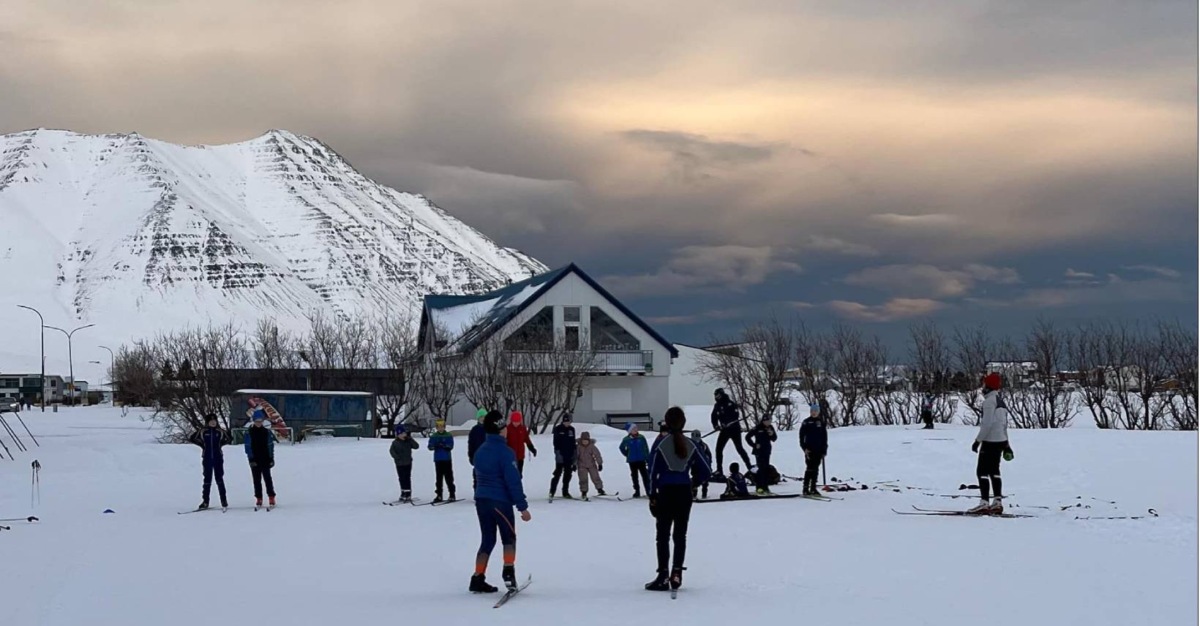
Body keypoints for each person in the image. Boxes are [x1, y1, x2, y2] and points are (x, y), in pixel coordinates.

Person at [645, 407, 712, 593]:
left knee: (663, 535)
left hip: (666, 492)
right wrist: (693, 483)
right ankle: (677, 573)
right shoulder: (691, 444)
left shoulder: (660, 444)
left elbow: (651, 472)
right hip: (684, 492)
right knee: (680, 535)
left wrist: (652, 494)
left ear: (666, 421)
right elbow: (706, 470)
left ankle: (663, 575)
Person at [470, 410, 531, 593]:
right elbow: (513, 481)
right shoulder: (506, 452)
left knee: (487, 540)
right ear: (500, 430)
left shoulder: (480, 451)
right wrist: (522, 507)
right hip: (500, 502)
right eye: (504, 428)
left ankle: (478, 577)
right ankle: (508, 572)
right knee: (509, 538)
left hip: (481, 500)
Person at [971, 373, 1012, 514]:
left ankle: (984, 502)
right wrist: (1007, 444)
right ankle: (997, 501)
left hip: (990, 441)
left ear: (988, 386)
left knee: (981, 471)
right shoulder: (1001, 402)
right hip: (1000, 440)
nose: (982, 387)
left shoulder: (989, 402)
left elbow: (987, 424)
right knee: (995, 471)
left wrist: (978, 441)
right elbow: (1004, 425)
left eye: (984, 384)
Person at [188, 413, 231, 510]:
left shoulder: (220, 431)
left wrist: (221, 444)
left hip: (218, 457)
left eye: (214, 421)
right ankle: (205, 501)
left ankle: (223, 501)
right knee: (207, 479)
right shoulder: (203, 431)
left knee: (219, 478)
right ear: (207, 422)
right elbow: (192, 438)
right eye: (211, 421)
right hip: (207, 457)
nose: (213, 422)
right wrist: (202, 445)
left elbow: (229, 438)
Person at [711, 388, 751, 476]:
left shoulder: (730, 404)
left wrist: (728, 423)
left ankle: (750, 467)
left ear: (721, 395)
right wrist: (716, 425)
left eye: (717, 395)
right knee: (718, 449)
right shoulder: (717, 405)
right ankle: (719, 470)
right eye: (715, 395)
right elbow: (714, 416)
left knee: (739, 448)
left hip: (734, 430)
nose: (716, 397)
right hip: (725, 431)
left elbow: (735, 416)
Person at [244, 413, 277, 508]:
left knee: (268, 478)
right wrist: (251, 459)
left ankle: (271, 496)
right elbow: (247, 447)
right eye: (257, 421)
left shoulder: (267, 432)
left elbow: (270, 445)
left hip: (265, 458)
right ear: (254, 421)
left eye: (260, 421)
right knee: (256, 479)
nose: (259, 423)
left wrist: (271, 458)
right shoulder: (249, 432)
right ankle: (259, 497)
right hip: (254, 459)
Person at [798, 403, 828, 496]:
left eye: (815, 411)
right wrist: (804, 448)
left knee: (816, 469)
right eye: (812, 411)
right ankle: (805, 488)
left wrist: (824, 450)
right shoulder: (806, 422)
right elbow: (801, 437)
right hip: (809, 449)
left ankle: (813, 488)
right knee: (810, 468)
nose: (814, 413)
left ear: (818, 412)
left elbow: (824, 437)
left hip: (818, 449)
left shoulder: (821, 423)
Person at [745, 416, 778, 494]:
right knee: (761, 469)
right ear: (763, 421)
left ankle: (765, 487)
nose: (769, 423)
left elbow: (774, 438)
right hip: (759, 451)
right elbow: (747, 437)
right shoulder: (757, 428)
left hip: (767, 450)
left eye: (770, 421)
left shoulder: (770, 428)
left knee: (766, 469)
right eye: (767, 421)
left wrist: (771, 434)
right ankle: (759, 487)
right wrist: (754, 445)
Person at [427, 419, 457, 503]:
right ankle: (439, 494)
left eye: (442, 427)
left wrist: (445, 446)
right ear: (436, 427)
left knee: (449, 477)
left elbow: (450, 446)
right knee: (439, 478)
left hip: (447, 459)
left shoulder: (448, 435)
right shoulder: (434, 436)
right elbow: (430, 446)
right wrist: (435, 446)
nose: (440, 428)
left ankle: (452, 494)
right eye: (438, 427)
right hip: (438, 459)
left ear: (444, 427)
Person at [549, 414, 577, 499]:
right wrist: (558, 454)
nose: (567, 423)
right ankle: (552, 491)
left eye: (568, 421)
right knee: (557, 473)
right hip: (560, 454)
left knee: (568, 474)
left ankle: (565, 492)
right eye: (565, 421)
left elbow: (573, 443)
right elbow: (556, 443)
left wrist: (574, 458)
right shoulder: (558, 429)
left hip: (569, 455)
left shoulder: (572, 429)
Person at [620, 424, 652, 498]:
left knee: (645, 476)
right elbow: (621, 447)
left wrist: (647, 458)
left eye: (636, 428)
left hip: (641, 460)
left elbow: (646, 448)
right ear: (630, 431)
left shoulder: (641, 438)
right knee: (634, 476)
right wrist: (627, 454)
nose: (635, 430)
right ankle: (637, 491)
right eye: (633, 429)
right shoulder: (626, 439)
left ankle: (648, 491)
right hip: (632, 461)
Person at [390, 424, 420, 503]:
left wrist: (410, 439)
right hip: (399, 463)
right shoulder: (395, 443)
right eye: (401, 434)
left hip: (408, 463)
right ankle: (403, 492)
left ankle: (408, 494)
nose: (403, 435)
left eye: (404, 433)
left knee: (407, 477)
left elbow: (416, 446)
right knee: (401, 478)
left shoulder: (408, 441)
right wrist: (396, 457)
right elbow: (392, 451)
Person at [505, 410, 537, 476]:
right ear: (511, 421)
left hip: (520, 456)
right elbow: (503, 442)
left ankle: (518, 485)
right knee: (511, 474)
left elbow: (527, 440)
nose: (516, 423)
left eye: (518, 422)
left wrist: (532, 449)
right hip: (510, 456)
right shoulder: (507, 429)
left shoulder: (523, 429)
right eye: (514, 421)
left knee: (519, 474)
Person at [575, 432, 606, 499]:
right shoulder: (578, 447)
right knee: (583, 479)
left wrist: (600, 464)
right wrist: (574, 464)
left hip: (592, 465)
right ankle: (584, 492)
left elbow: (597, 455)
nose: (585, 442)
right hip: (581, 466)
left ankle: (600, 489)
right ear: (581, 440)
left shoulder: (592, 446)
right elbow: (575, 456)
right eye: (583, 440)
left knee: (596, 477)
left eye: (586, 440)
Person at [689, 430, 713, 500]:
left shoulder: (704, 446)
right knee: (695, 479)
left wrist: (709, 463)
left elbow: (709, 455)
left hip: (704, 466)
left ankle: (704, 493)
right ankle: (694, 492)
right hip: (695, 467)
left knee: (705, 480)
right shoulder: (690, 445)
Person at [468, 408, 488, 488]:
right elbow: (471, 444)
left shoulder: (490, 429)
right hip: (477, 456)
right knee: (477, 475)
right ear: (478, 418)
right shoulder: (474, 430)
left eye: (484, 417)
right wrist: (470, 456)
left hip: (488, 456)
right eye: (481, 417)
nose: (483, 419)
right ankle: (477, 491)